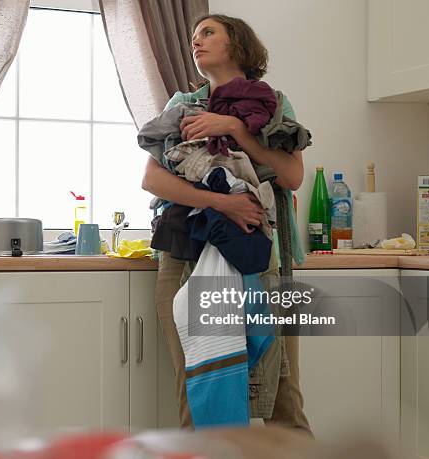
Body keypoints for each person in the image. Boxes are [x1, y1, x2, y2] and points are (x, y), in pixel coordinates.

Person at [141, 14, 311, 434]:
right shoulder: (183, 104)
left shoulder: (274, 102)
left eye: (207, 33)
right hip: (185, 256)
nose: (195, 42)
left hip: (262, 255)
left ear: (236, 43)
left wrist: (235, 128)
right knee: (198, 386)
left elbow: (291, 177)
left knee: (282, 391)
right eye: (194, 35)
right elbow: (153, 179)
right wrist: (224, 202)